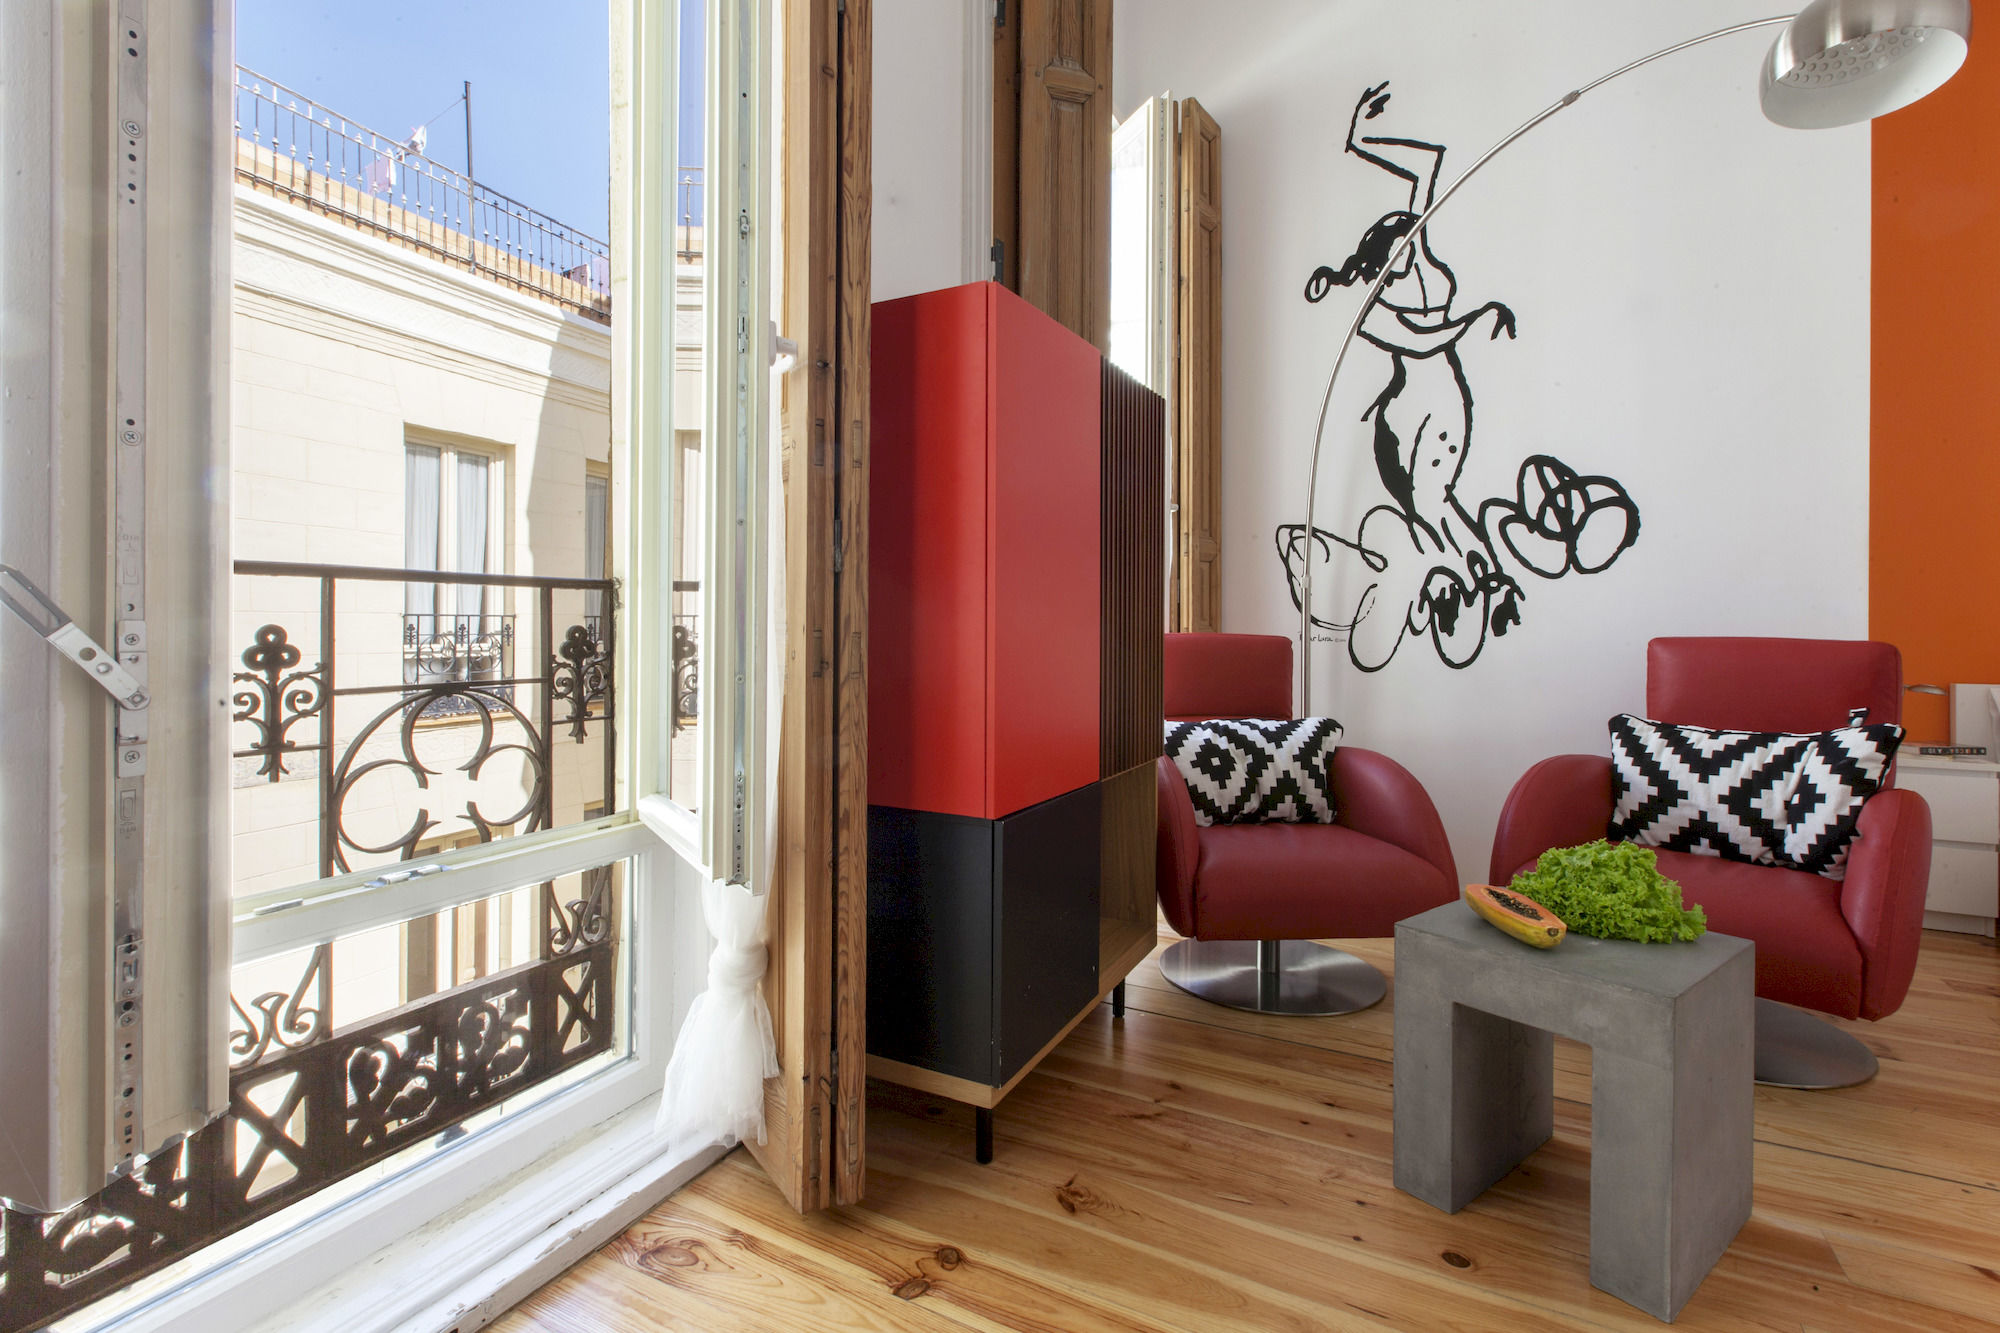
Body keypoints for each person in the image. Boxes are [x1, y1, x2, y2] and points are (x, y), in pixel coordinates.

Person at [1281, 82, 1635, 672]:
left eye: (1412, 240)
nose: (1412, 250)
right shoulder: (1376, 309)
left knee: (1441, 505)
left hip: (1447, 407)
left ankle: (1478, 582)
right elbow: (1424, 341)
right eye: (1400, 248)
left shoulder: (1418, 259)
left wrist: (1362, 140)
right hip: (1408, 420)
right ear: (1381, 260)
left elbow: (1430, 167)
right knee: (1431, 507)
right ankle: (1468, 587)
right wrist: (1475, 318)